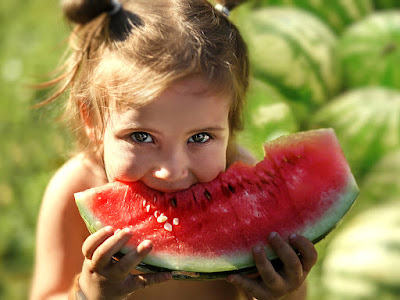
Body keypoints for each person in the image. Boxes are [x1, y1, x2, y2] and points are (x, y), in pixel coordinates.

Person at [30, 0, 318, 299]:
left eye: (200, 137)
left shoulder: (245, 187)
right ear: (93, 121)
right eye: (141, 136)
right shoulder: (75, 188)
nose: (172, 170)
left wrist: (284, 289)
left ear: (230, 123)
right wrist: (87, 294)